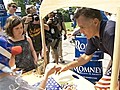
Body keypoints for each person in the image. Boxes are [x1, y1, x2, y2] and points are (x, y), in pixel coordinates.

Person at [56, 7, 119, 90]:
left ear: (95, 22)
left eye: (82, 27)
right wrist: (67, 67)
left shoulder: (110, 32)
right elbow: (86, 57)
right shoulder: (93, 36)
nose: (81, 32)